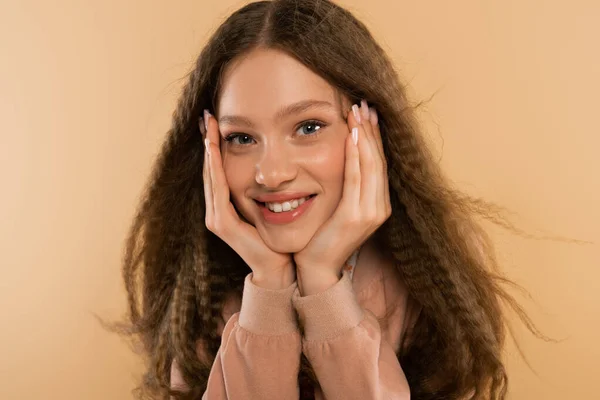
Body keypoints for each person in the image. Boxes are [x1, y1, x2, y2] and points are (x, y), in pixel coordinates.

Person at [120, 1, 543, 399]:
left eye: (308, 127)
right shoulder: (200, 286)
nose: (272, 173)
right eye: (241, 138)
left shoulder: (426, 283)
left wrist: (322, 281)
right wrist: (268, 283)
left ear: (368, 132)